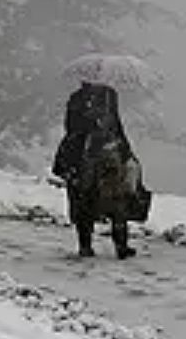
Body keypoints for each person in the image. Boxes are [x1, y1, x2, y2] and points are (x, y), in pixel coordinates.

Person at [52, 80, 142, 259]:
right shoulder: (105, 96)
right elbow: (114, 127)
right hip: (95, 157)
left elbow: (71, 127)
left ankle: (88, 246)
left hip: (87, 158)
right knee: (114, 202)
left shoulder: (83, 98)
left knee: (87, 201)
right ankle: (118, 246)